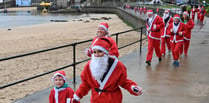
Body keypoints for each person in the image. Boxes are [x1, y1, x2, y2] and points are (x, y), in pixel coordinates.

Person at [72, 37, 142, 103]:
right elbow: (85, 84)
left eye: (100, 52)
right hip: (96, 99)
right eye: (94, 52)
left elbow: (124, 82)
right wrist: (77, 96)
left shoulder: (117, 66)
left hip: (112, 99)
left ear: (106, 53)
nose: (96, 55)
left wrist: (132, 87)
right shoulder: (89, 66)